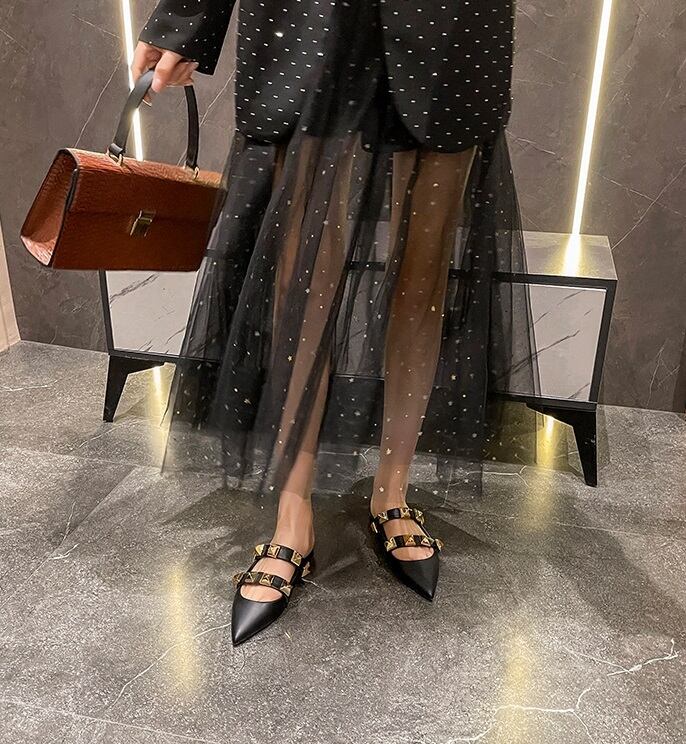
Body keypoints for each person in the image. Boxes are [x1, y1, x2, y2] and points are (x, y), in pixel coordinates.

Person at [132, 0, 531, 645]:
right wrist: (186, 21)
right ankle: (293, 520)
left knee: (425, 274)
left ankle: (392, 493)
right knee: (301, 282)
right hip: (310, 19)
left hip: (449, 23)